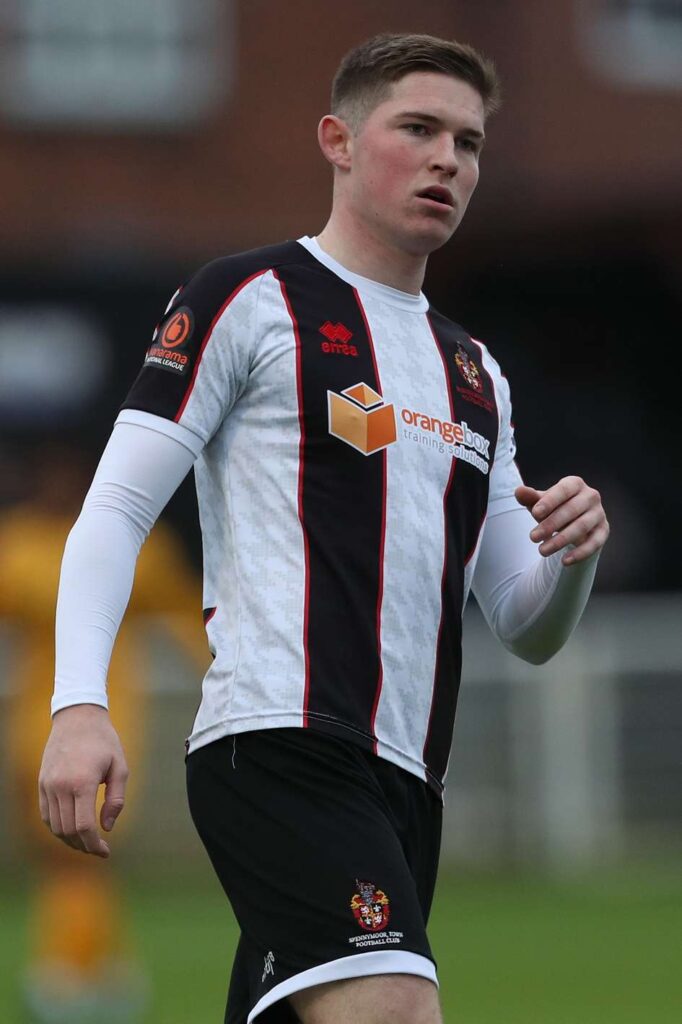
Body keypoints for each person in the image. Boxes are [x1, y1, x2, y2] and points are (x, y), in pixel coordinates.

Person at [38, 33, 609, 1024]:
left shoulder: (476, 375)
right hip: (278, 741)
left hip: (405, 780)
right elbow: (118, 507)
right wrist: (78, 703)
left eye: (468, 143)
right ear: (337, 140)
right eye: (418, 129)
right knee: (392, 1007)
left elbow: (526, 622)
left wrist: (572, 557)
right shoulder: (247, 298)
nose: (447, 160)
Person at [1, 443, 206, 1023]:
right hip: (38, 723)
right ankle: (84, 973)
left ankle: (75, 973)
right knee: (68, 857)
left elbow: (188, 615)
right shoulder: (20, 544)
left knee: (84, 853)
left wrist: (226, 680)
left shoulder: (134, 546)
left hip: (113, 724)